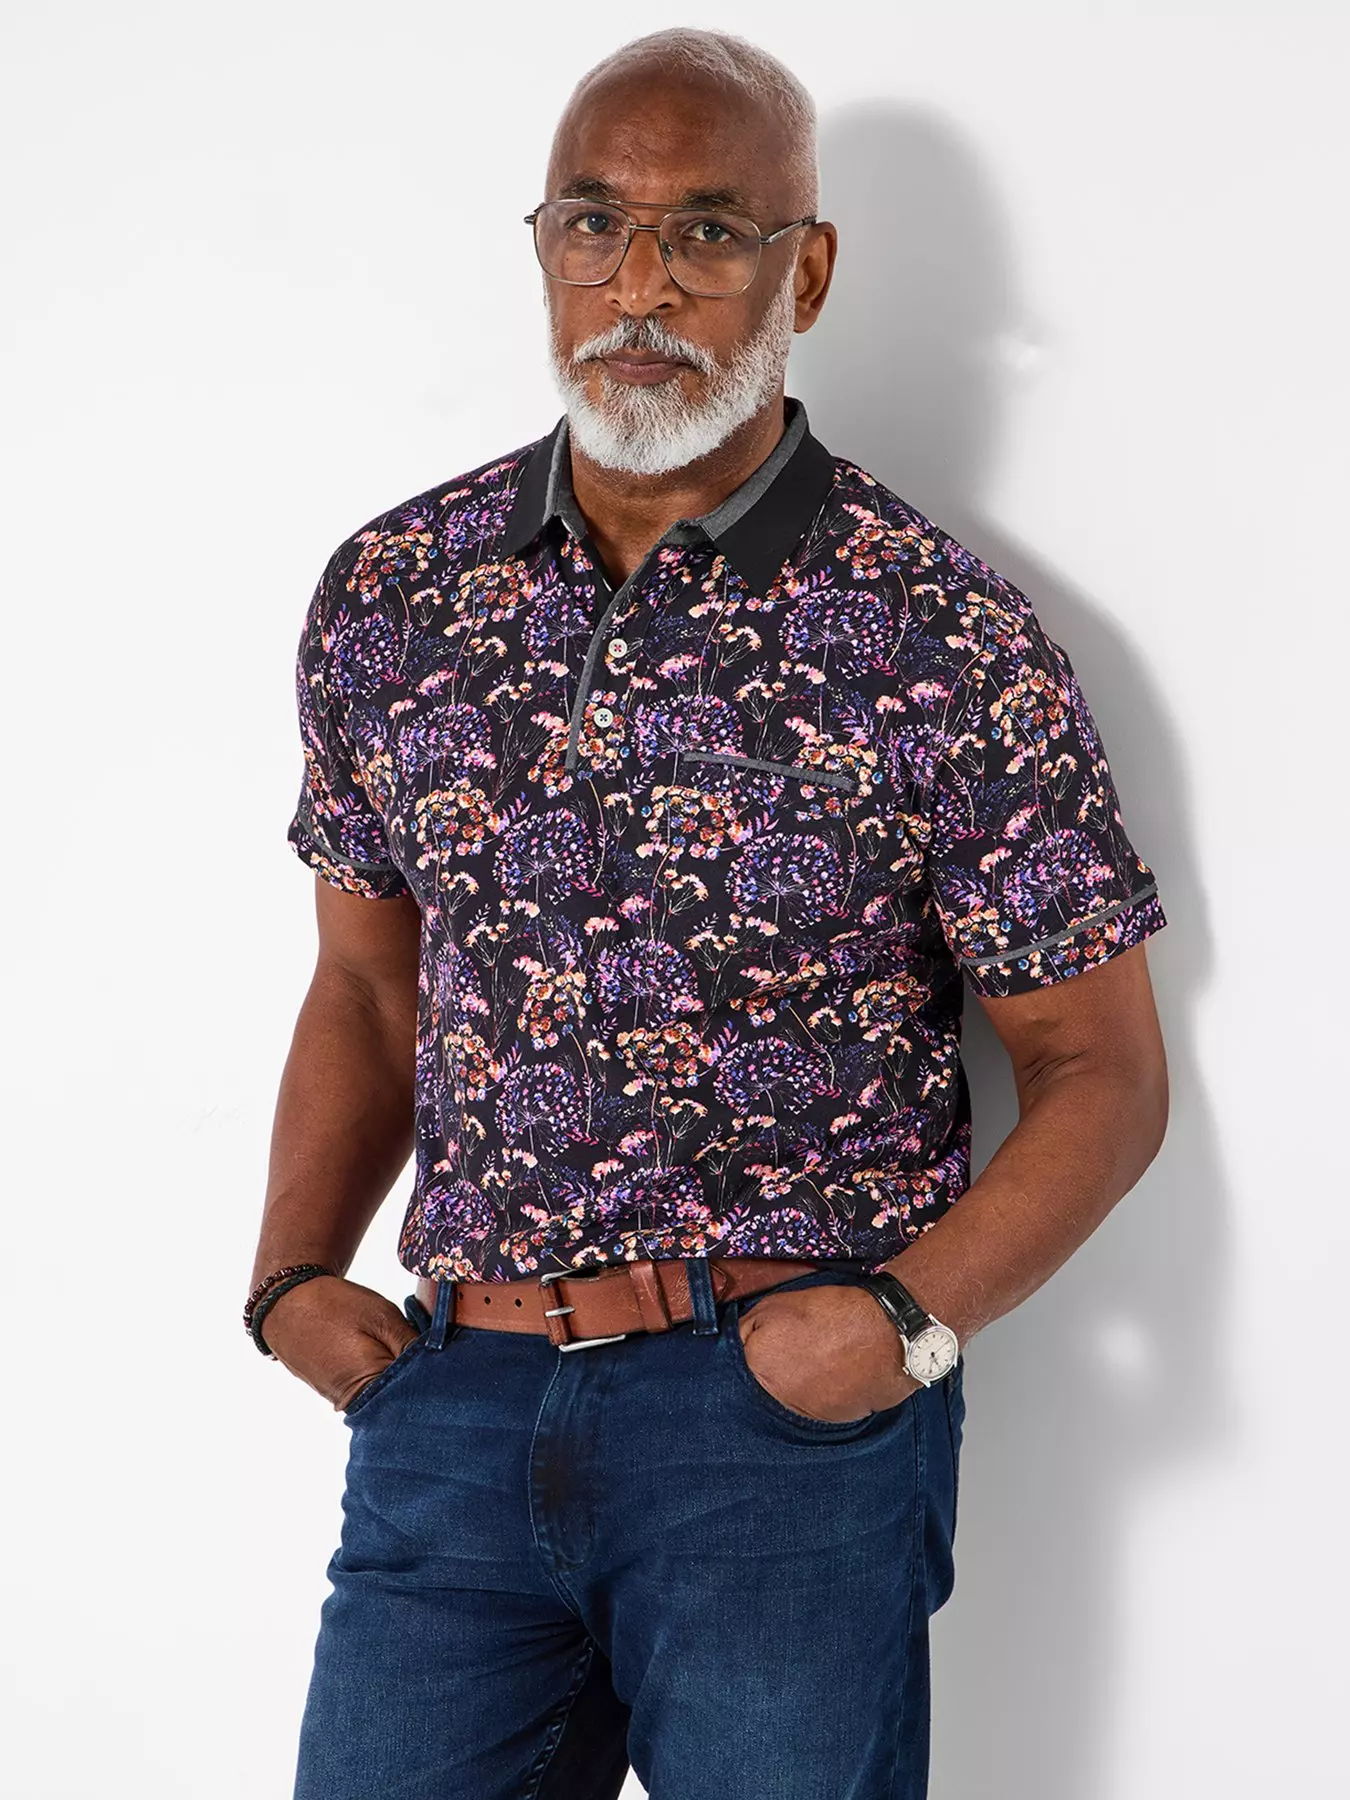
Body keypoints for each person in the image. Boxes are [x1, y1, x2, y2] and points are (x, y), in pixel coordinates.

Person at [246, 26, 1169, 1800]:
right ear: (542, 249)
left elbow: (1098, 1072)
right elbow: (364, 983)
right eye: (594, 224)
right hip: (454, 1403)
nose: (641, 283)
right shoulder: (393, 592)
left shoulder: (940, 632)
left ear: (801, 271)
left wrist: (890, 1327)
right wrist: (290, 1278)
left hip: (775, 1423)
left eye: (708, 232)